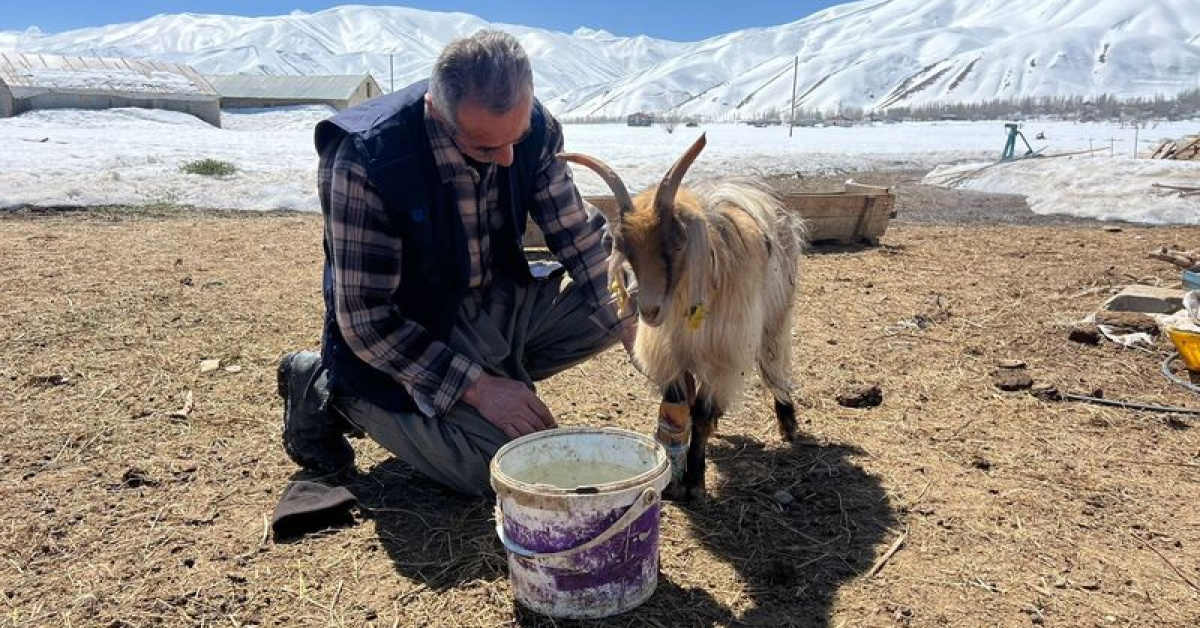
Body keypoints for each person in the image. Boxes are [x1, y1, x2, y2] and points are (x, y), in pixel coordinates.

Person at [277, 29, 634, 496]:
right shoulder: (366, 159)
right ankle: (333, 389)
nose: (507, 158)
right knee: (503, 467)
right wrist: (479, 389)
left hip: (492, 303)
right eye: (485, 148)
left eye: (518, 138)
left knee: (620, 302)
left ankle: (490, 376)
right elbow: (367, 321)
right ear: (436, 112)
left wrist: (636, 327)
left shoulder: (530, 127)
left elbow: (580, 237)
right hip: (414, 326)